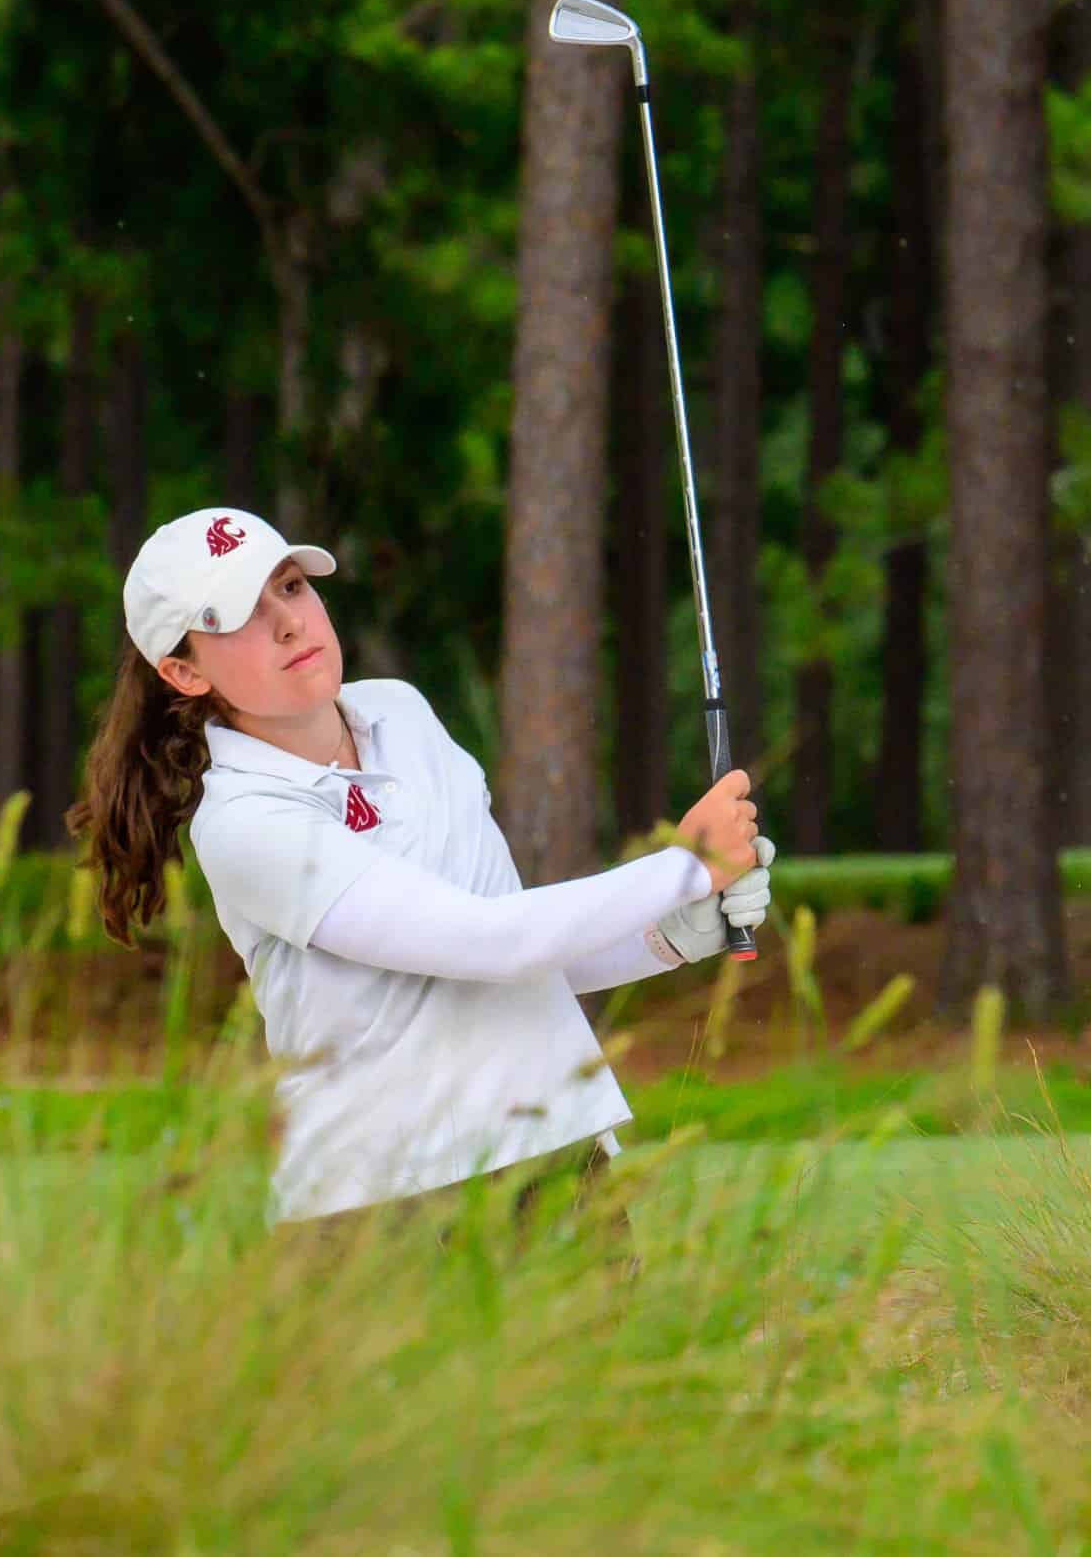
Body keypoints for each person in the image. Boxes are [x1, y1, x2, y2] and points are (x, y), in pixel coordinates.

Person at [66, 507, 774, 1234]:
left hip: (556, 1158)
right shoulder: (244, 823)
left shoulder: (402, 713)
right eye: (238, 615)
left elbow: (498, 958)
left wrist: (668, 936)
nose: (286, 622)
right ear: (182, 672)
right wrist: (684, 868)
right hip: (385, 1209)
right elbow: (489, 941)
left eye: (288, 587)